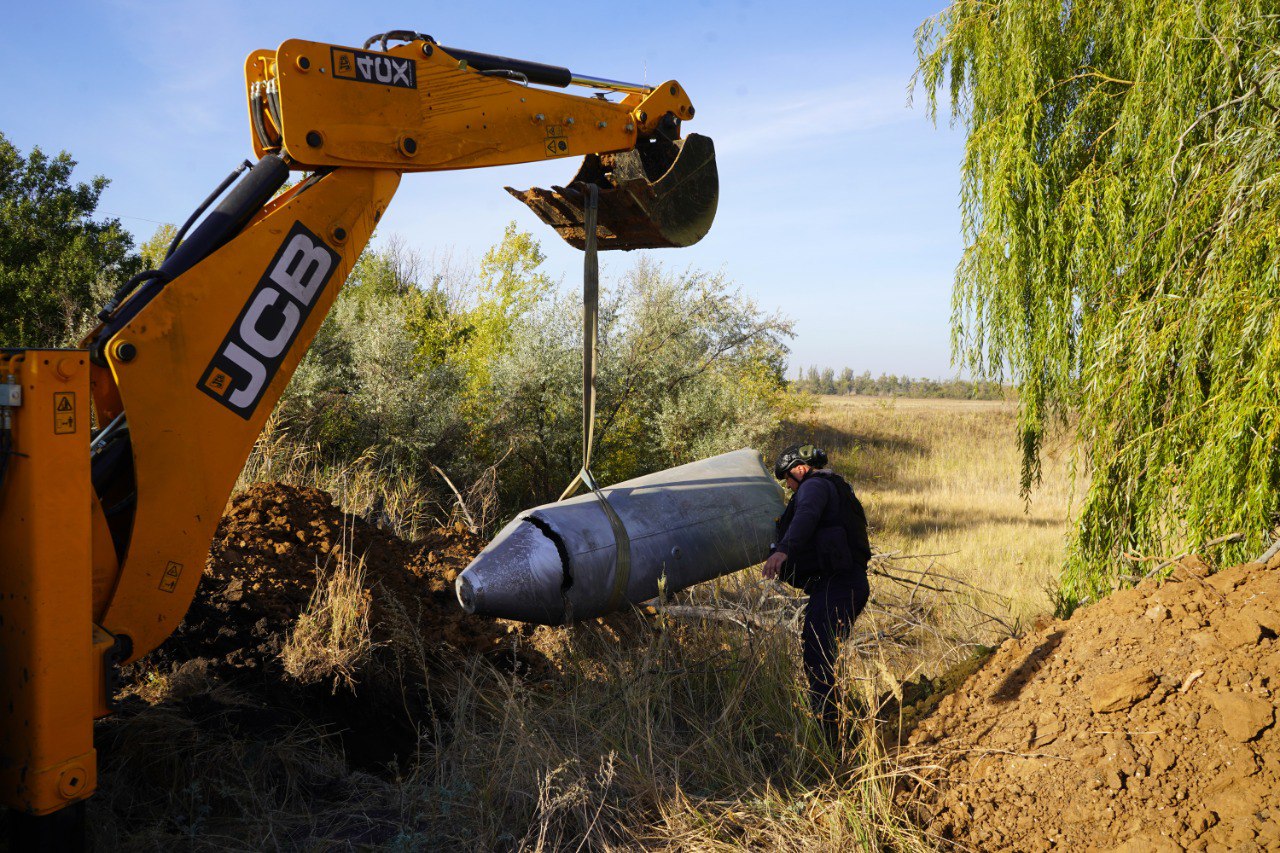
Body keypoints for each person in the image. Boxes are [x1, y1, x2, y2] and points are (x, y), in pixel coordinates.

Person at [763, 443, 872, 735]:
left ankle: (831, 737)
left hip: (838, 584)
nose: (787, 485)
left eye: (787, 478)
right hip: (842, 584)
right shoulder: (836, 486)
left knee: (818, 658)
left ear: (799, 469)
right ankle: (838, 728)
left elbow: (806, 515)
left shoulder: (813, 487)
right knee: (823, 656)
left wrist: (783, 550)